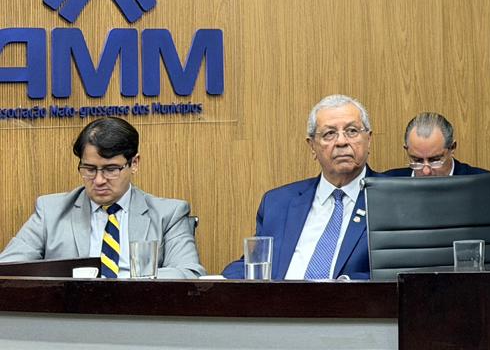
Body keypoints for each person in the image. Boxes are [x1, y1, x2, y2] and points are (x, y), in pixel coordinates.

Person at [0, 117, 203, 278]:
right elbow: (7, 270)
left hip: (138, 312)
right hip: (70, 312)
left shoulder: (168, 214)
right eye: (89, 169)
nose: (98, 180)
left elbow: (189, 273)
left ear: (134, 163)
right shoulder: (50, 211)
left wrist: (125, 283)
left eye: (111, 169)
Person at [222, 94, 379, 279]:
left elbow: (397, 274)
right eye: (329, 134)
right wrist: (221, 281)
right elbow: (254, 265)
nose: (341, 142)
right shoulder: (278, 203)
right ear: (312, 146)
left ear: (368, 140)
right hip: (280, 297)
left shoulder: (391, 200)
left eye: (352, 131)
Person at [383, 113, 489, 178]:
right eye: (417, 161)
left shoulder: (483, 184)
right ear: (406, 150)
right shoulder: (386, 185)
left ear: (452, 148)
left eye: (435, 160)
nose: (426, 171)